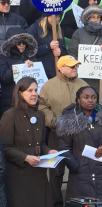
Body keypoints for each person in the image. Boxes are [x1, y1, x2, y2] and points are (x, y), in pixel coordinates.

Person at [56, 86, 102, 202]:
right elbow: (64, 147)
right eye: (86, 97)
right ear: (78, 100)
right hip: (80, 175)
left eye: (93, 97)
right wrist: (75, 166)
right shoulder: (69, 119)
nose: (90, 100)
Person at [39, 55, 88, 207]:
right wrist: (53, 122)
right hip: (57, 135)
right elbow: (41, 106)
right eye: (71, 66)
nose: (75, 69)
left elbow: (92, 104)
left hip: (79, 136)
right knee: (56, 173)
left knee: (80, 169)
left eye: (76, 66)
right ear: (61, 68)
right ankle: (55, 203)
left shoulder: (83, 84)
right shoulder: (48, 85)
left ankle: (80, 202)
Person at [0, 77, 55, 207]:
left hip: (38, 173)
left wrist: (49, 151)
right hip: (18, 175)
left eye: (36, 90)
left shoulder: (40, 115)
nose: (34, 93)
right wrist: (25, 157)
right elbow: (5, 148)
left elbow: (41, 143)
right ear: (20, 93)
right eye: (30, 90)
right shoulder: (10, 115)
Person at [68, 4, 102, 104]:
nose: (95, 19)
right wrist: (82, 65)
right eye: (93, 17)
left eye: (98, 17)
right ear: (87, 18)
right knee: (86, 105)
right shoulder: (78, 33)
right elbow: (72, 54)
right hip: (84, 79)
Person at [0, 27, 37, 118]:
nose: (22, 45)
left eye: (24, 42)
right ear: (12, 44)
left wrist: (34, 66)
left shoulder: (30, 57)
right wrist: (20, 65)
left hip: (28, 101)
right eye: (18, 43)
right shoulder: (3, 58)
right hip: (10, 101)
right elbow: (4, 78)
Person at [27, 14, 67, 79]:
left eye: (58, 17)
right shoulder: (34, 29)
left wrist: (60, 51)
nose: (57, 19)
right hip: (40, 72)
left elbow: (64, 50)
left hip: (56, 71)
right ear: (47, 17)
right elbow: (30, 51)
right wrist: (48, 46)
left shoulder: (59, 29)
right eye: (54, 16)